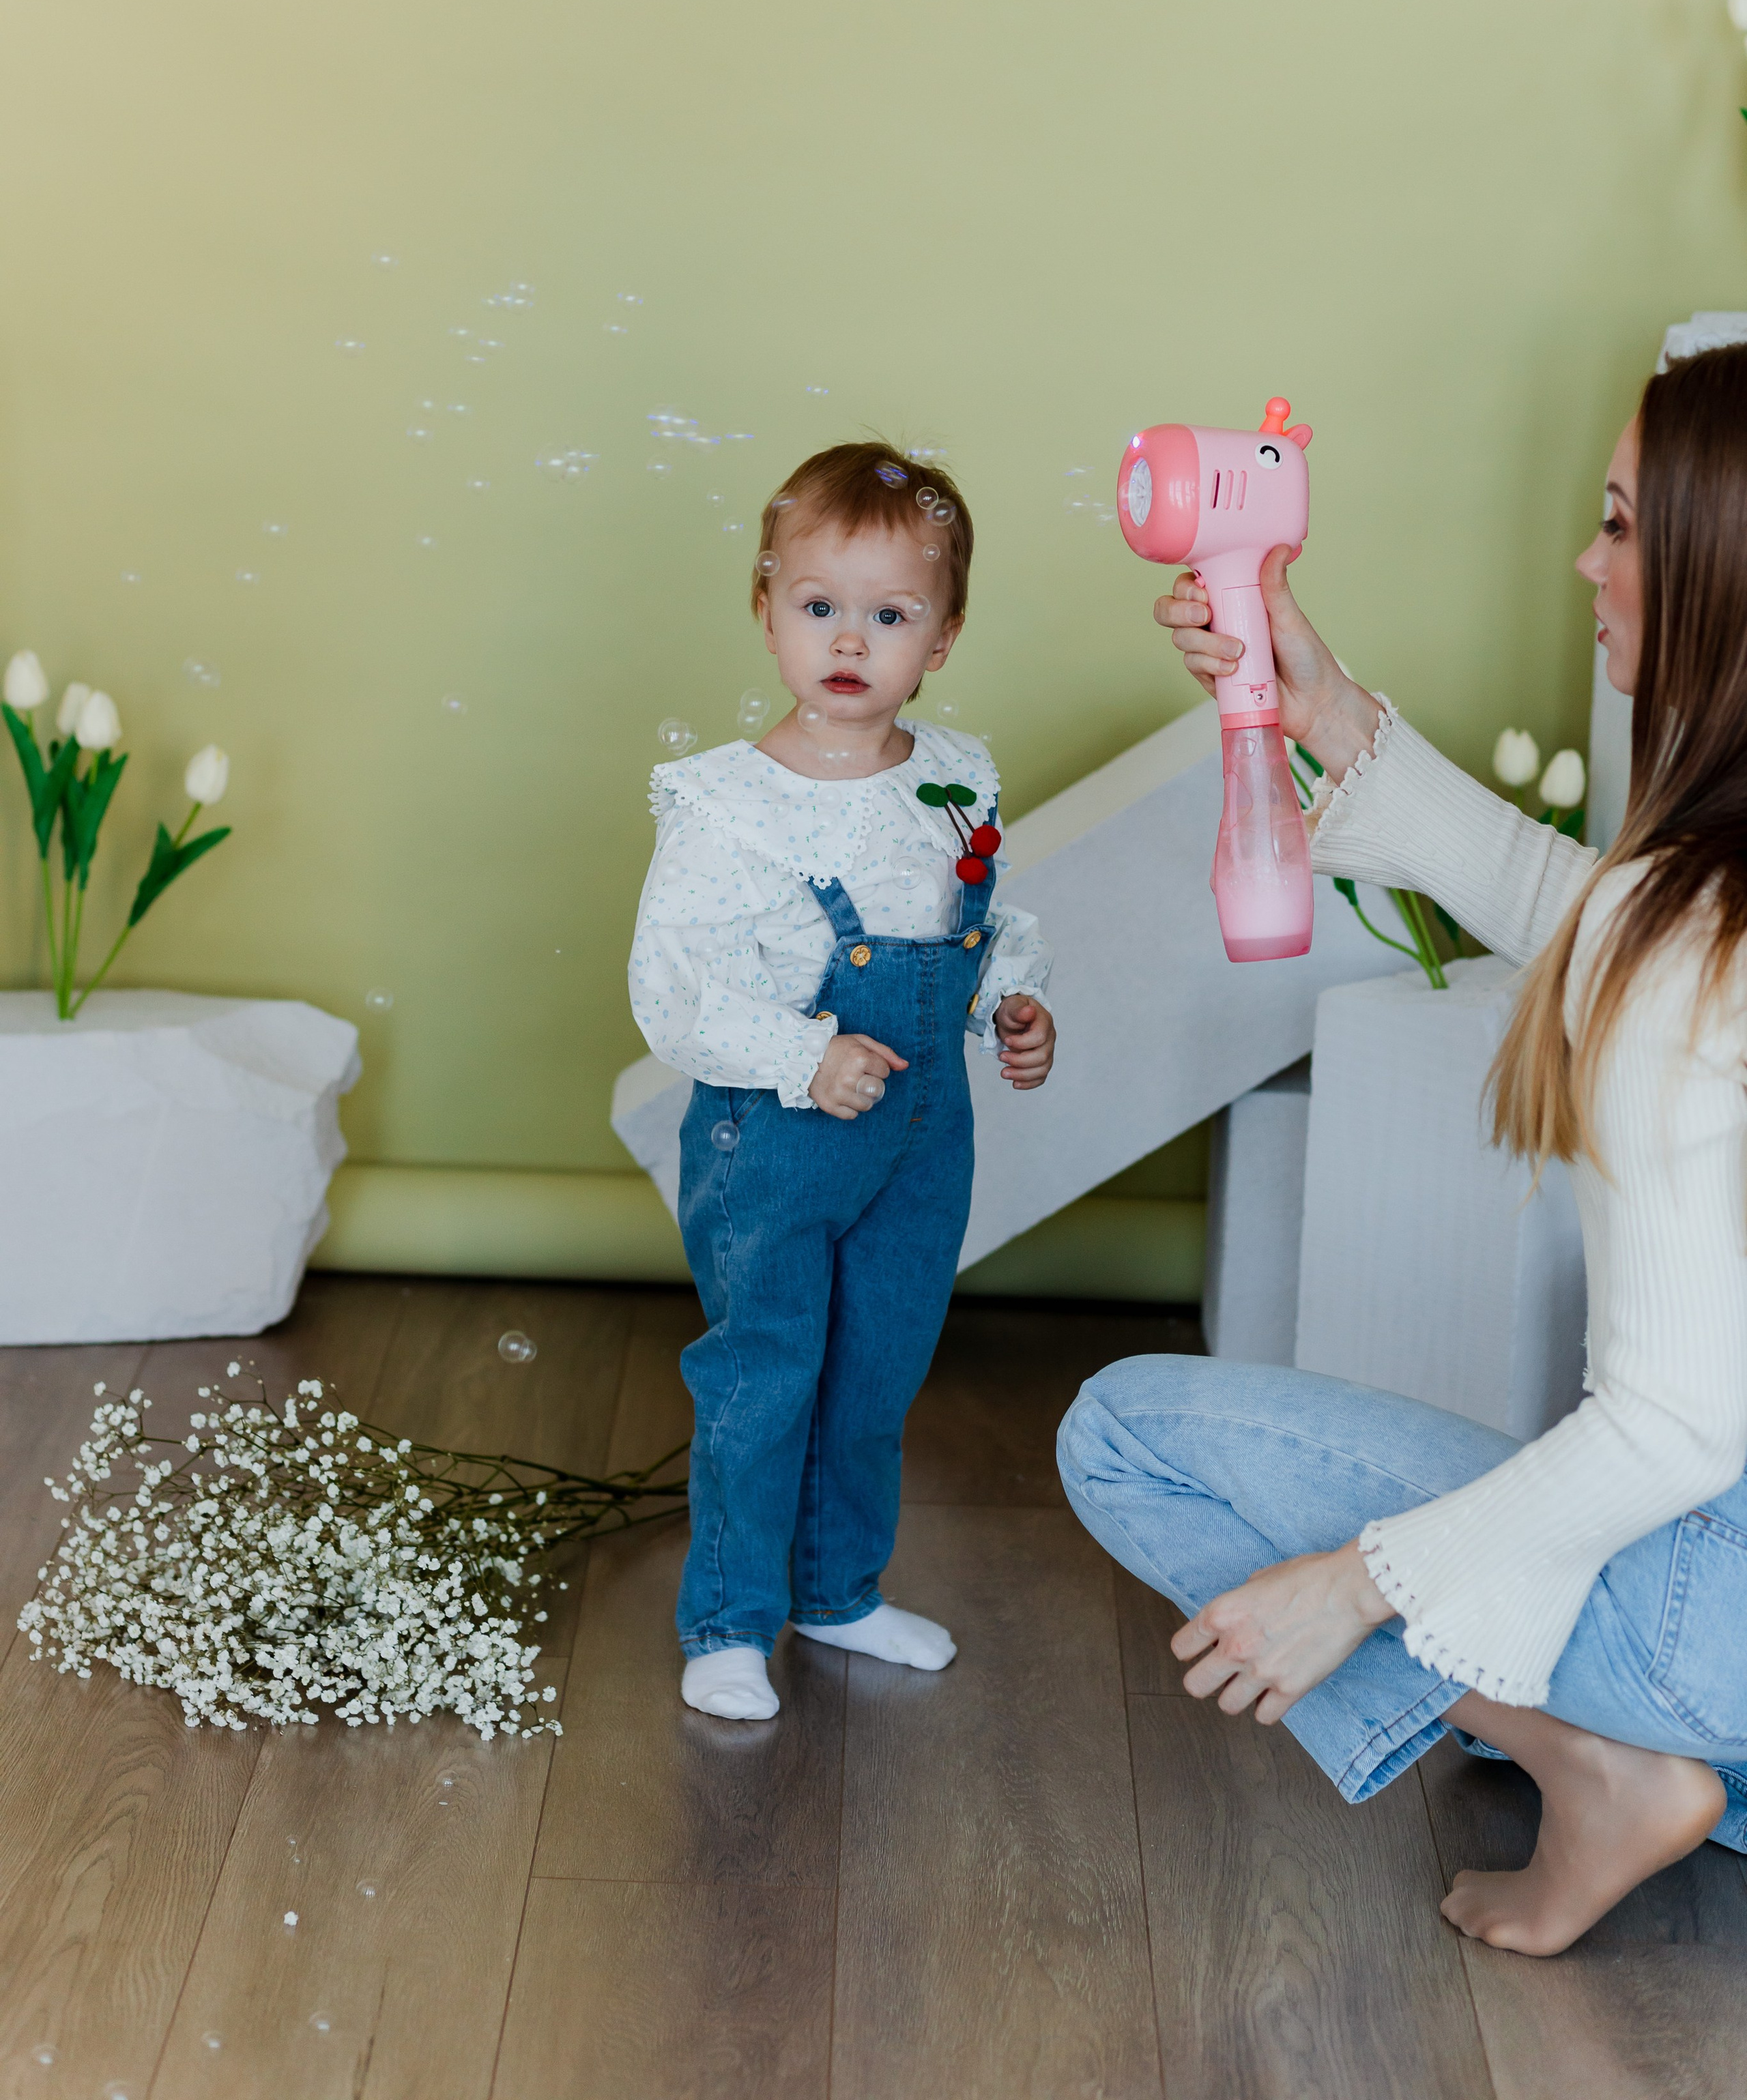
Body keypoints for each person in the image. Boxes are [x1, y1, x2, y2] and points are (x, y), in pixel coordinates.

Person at [1057, 345, 1747, 1955]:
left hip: (1716, 1600)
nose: (1587, 561)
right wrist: (1325, 709)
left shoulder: (1679, 951)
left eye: (1621, 525)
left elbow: (1670, 1428)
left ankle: (1591, 1764)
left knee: (1123, 1434)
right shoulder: (1693, 918)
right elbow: (1574, 909)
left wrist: (1358, 1583)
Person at [631, 440, 1056, 1722]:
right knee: (768, 1370)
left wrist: (1009, 1005)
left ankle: (837, 1589)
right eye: (820, 606)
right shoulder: (727, 808)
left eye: (891, 613)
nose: (851, 641)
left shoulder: (951, 778)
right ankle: (729, 1619)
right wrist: (804, 1057)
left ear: (945, 632)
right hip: (776, 1142)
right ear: (766, 611)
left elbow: (974, 920)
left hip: (924, 1140)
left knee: (877, 1367)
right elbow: (677, 990)